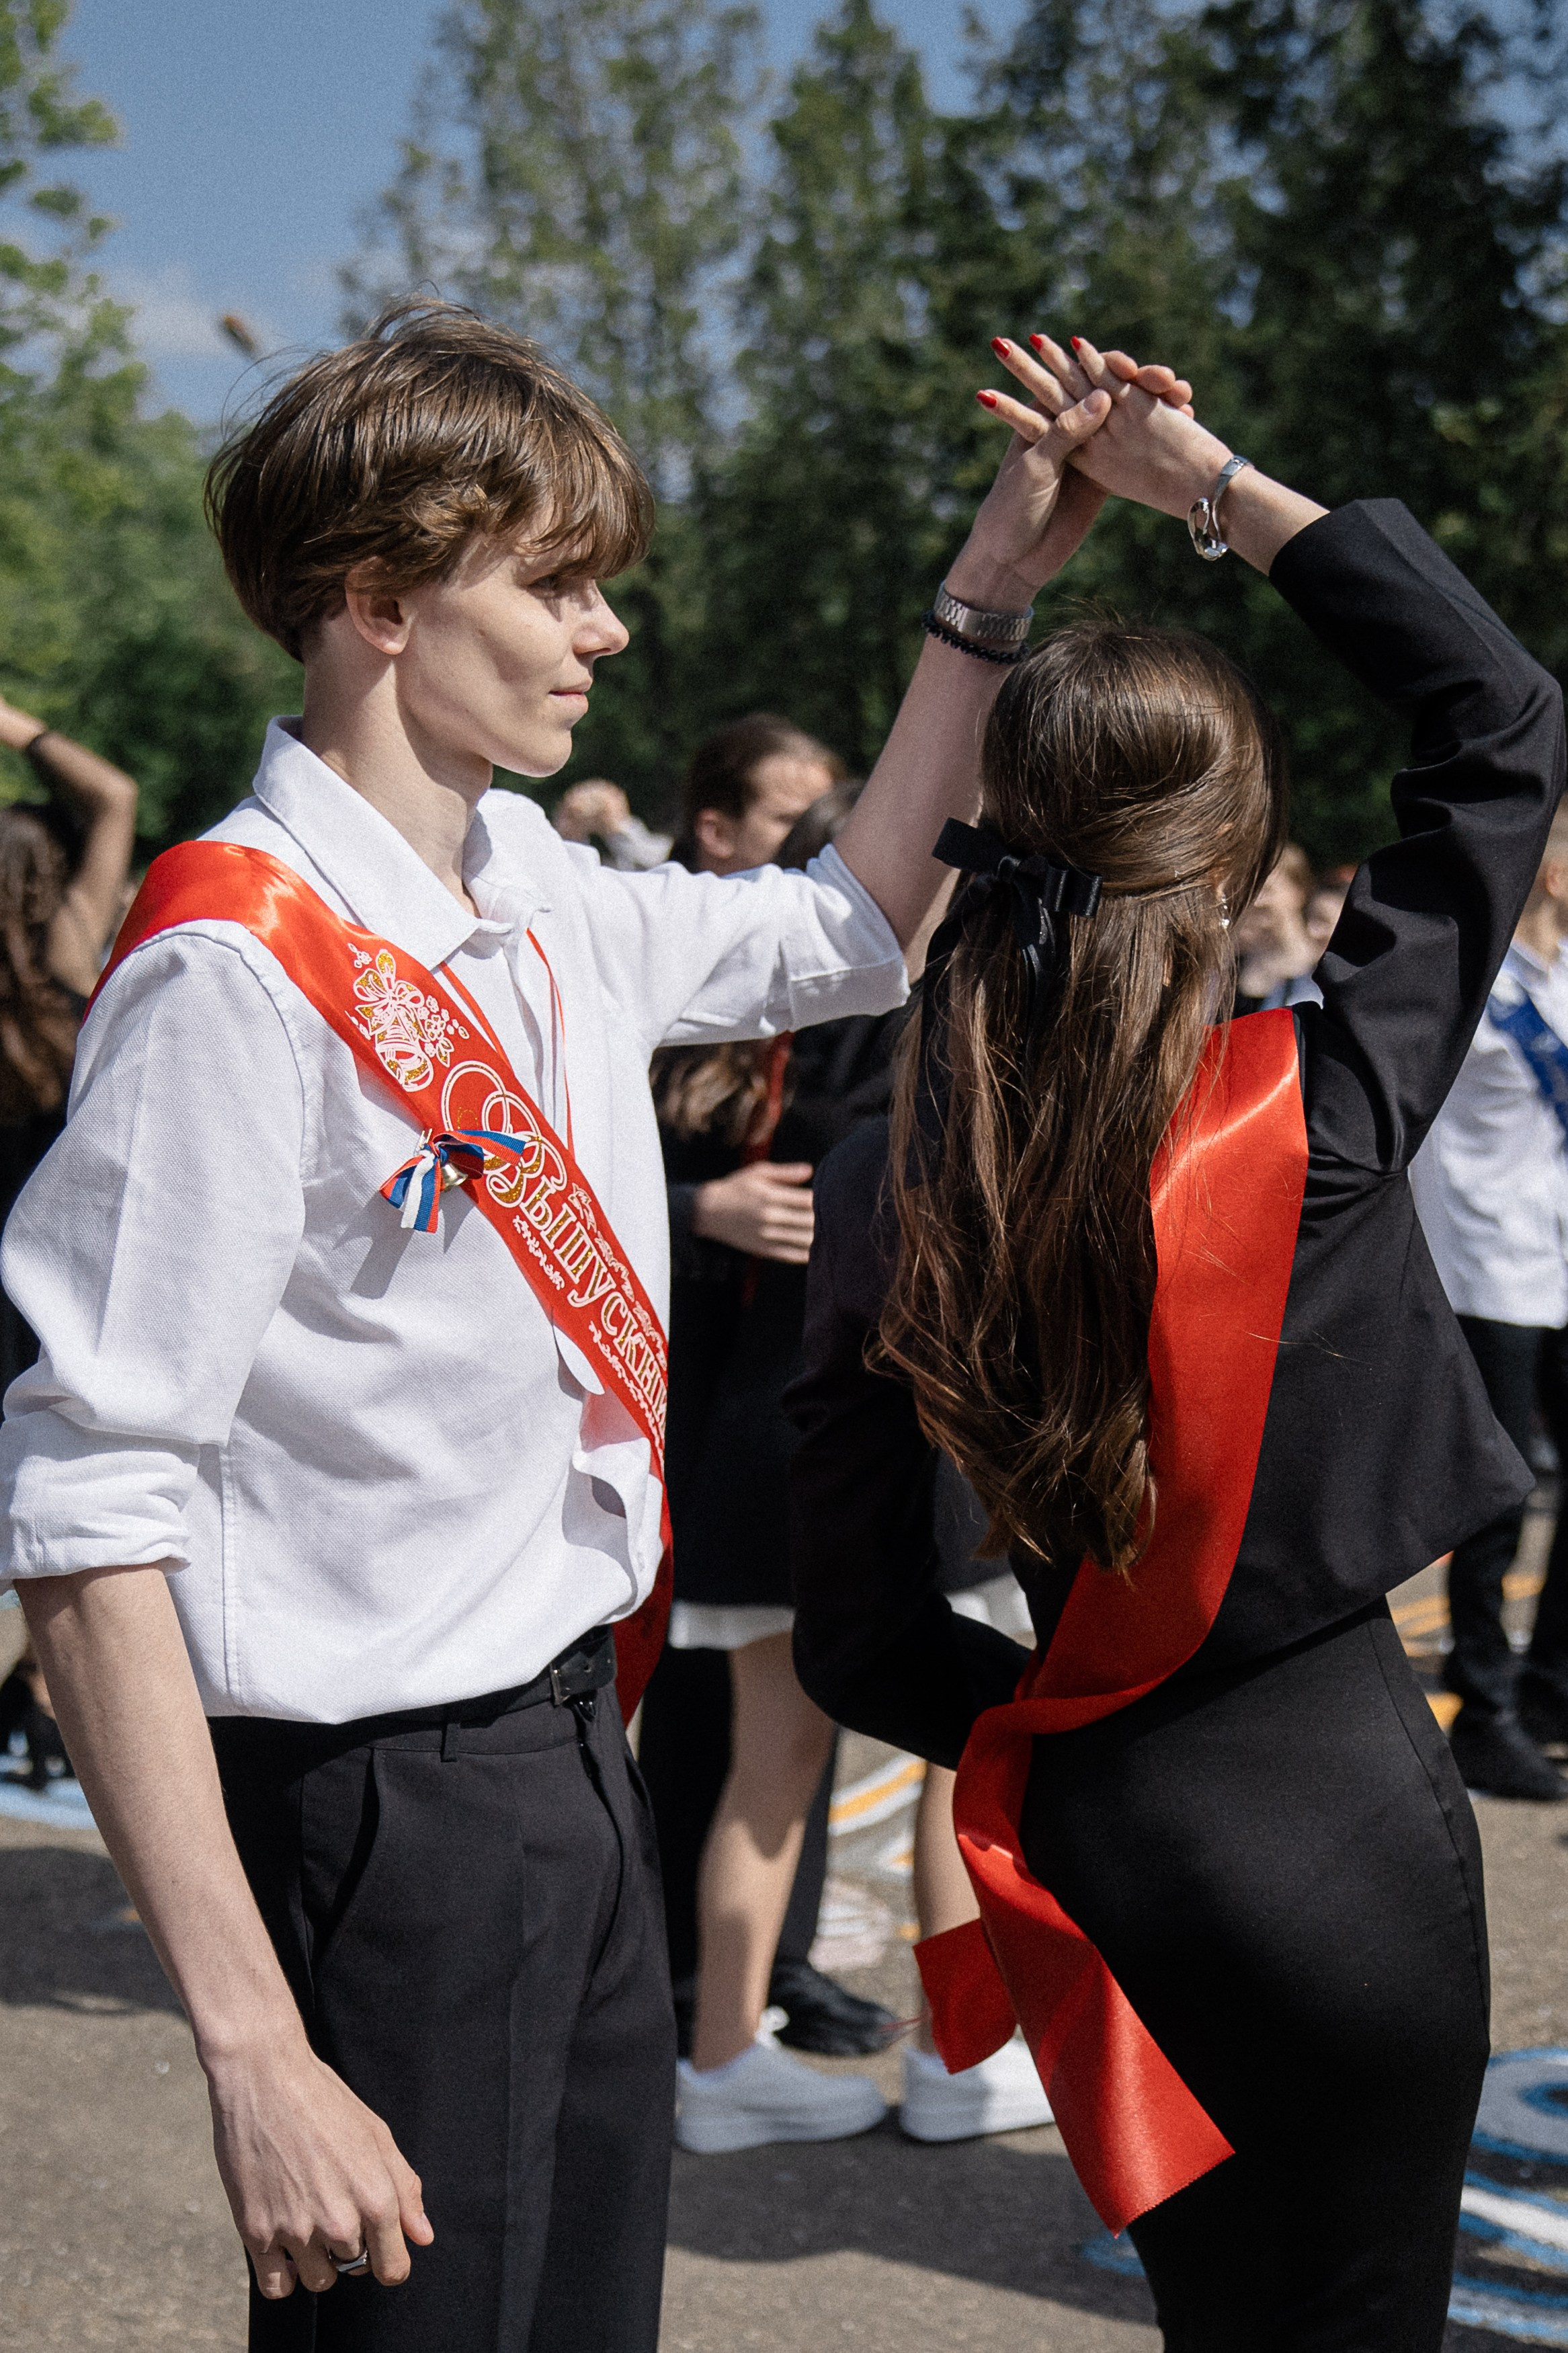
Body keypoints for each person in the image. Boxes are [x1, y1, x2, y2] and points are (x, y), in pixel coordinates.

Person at [0, 299, 1161, 2350]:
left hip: (567, 1743)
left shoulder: (530, 884)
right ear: (373, 599)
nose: (603, 631)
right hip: (382, 1799)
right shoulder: (235, 968)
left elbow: (852, 926)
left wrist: (987, 588)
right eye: (554, 582)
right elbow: (92, 1519)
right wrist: (255, 2050)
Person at [788, 328, 1563, 2348]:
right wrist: (1208, 484)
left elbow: (862, 1633)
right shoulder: (1311, 1111)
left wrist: (997, 583)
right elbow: (1498, 717)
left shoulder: (886, 1169)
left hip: (1107, 1830)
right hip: (1338, 1817)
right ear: (1225, 863)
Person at [643, 762, 899, 2152]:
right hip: (774, 1440)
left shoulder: (765, 1042)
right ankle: (720, 2044)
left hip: (739, 1439)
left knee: (766, 1767)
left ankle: (729, 2024)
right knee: (759, 1769)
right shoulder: (829, 1045)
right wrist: (699, 1206)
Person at [1410, 809, 1568, 1798]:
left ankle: (1547, 1682)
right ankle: (1484, 1706)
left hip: (1555, 1266)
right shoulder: (1477, 986)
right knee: (1498, 1499)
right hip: (1486, 1270)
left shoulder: (1561, 986)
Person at [0, 696, 137, 1786]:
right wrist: (11, 721)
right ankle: (46, 1705)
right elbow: (116, 796)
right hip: (42, 1294)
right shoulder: (66, 964)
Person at [1231, 841, 1322, 1012]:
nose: (1257, 902)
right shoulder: (1231, 967)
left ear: (1299, 891)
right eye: (1249, 891)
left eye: (1267, 890)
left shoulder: (1319, 972)